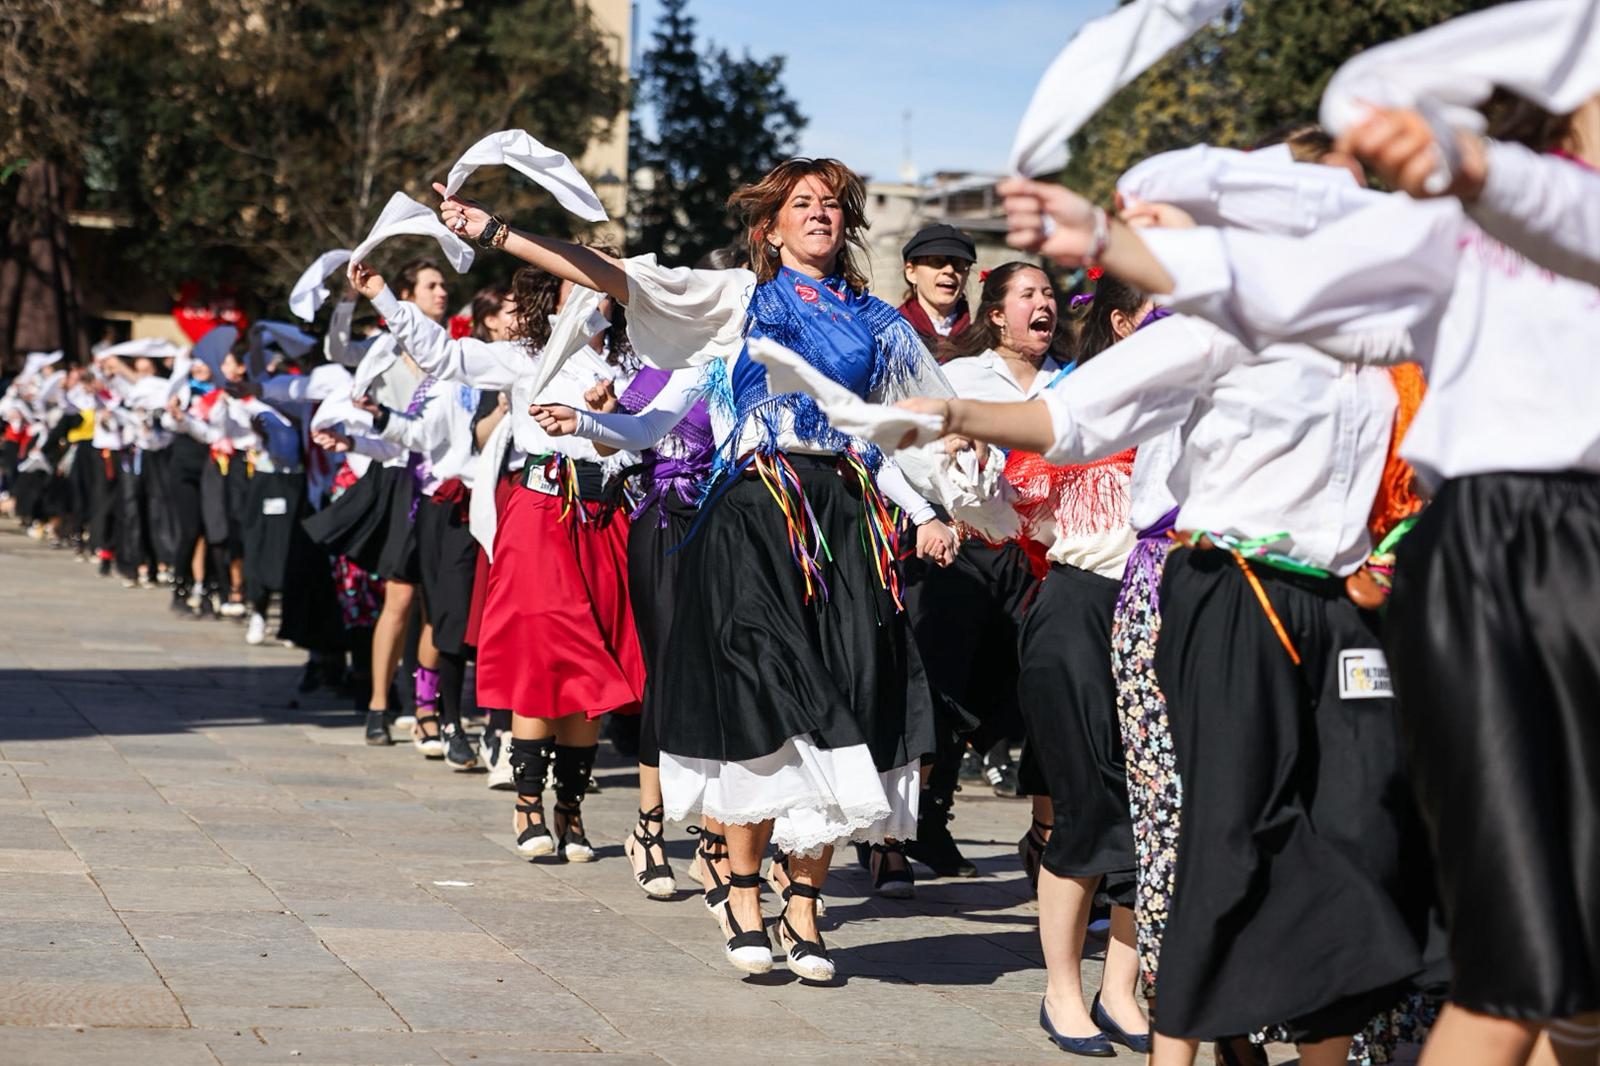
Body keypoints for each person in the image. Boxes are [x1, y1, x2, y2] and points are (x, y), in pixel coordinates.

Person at [1023, 91, 1600, 1066]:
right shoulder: (1217, 309)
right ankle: (1169, 1030)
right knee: (1198, 842)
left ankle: (1303, 1035)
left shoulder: (1383, 324)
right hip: (1195, 584)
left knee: (1349, 843)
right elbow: (1082, 425)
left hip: (1349, 597)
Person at [434, 157, 955, 979]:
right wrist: (501, 234)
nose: (819, 214)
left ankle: (806, 908)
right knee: (770, 694)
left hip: (843, 522)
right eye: (802, 205)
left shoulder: (880, 324)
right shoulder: (742, 300)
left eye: (831, 206)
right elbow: (618, 277)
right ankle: (743, 891)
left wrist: (936, 506)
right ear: (769, 227)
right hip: (755, 516)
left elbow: (901, 431)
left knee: (846, 702)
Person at [346, 257, 645, 864]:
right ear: (554, 293)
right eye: (580, 279)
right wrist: (383, 296)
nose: (596, 290)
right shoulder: (524, 354)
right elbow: (444, 355)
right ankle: (528, 802)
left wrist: (611, 416)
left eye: (603, 282)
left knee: (595, 663)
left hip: (603, 516)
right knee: (544, 653)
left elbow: (649, 438)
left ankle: (571, 808)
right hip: (540, 513)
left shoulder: (630, 362)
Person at [897, 223, 976, 352]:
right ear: (911, 272)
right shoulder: (891, 333)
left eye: (959, 263)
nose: (950, 270)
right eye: (937, 261)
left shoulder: (979, 341)